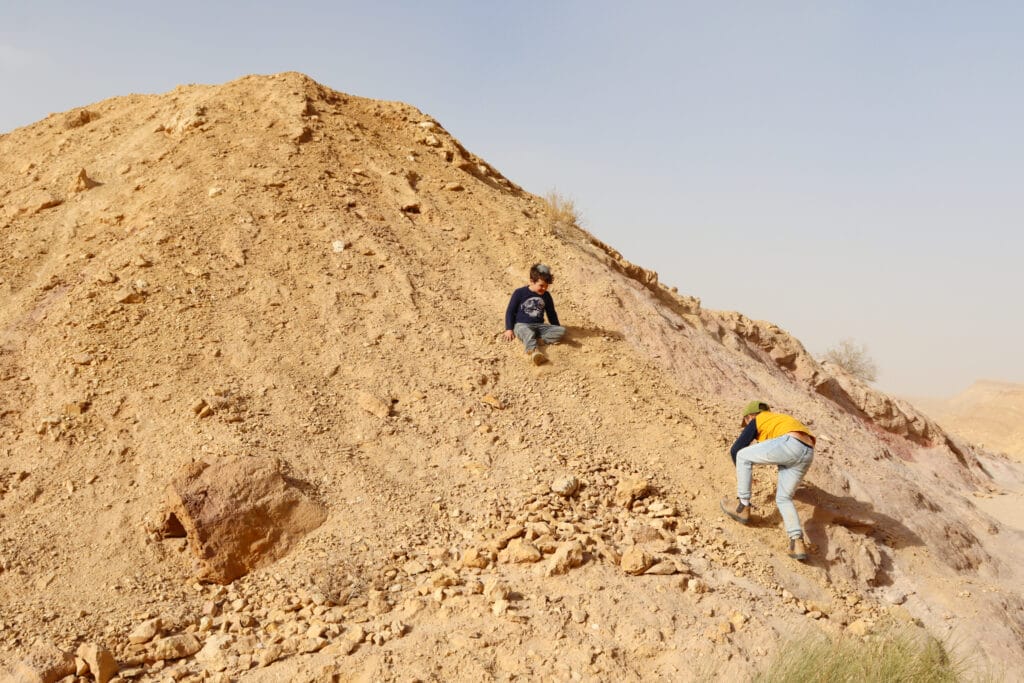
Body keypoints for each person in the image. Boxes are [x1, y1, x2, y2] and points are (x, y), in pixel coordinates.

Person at [721, 400, 816, 561]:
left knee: (742, 455)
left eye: (745, 422)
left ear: (750, 416)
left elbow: (736, 449)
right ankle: (797, 542)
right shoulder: (778, 420)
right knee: (784, 498)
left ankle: (742, 507)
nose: (746, 426)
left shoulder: (759, 419)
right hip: (808, 451)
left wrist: (744, 474)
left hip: (790, 443)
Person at [503, 263, 565, 365]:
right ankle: (534, 351)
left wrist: (555, 327)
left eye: (546, 286)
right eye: (541, 285)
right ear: (531, 281)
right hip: (522, 325)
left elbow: (551, 313)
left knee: (561, 330)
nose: (544, 288)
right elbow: (510, 311)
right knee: (526, 332)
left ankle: (539, 340)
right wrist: (509, 329)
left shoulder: (546, 295)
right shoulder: (519, 292)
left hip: (539, 327)